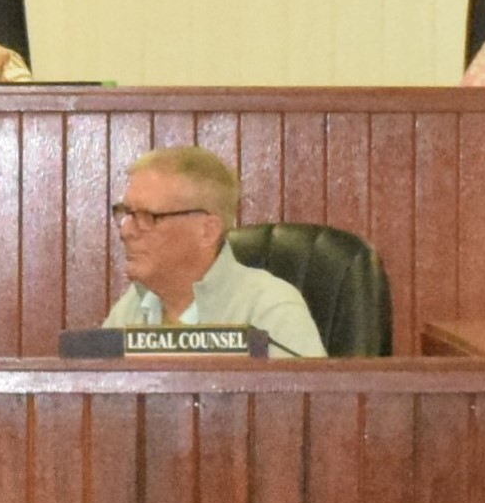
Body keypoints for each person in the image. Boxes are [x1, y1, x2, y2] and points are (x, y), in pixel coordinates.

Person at [99, 146, 325, 359]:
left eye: (147, 217)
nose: (126, 231)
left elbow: (310, 401)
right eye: (126, 213)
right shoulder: (134, 306)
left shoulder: (270, 309)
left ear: (207, 231)